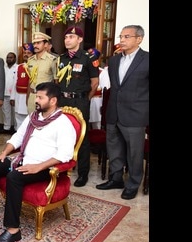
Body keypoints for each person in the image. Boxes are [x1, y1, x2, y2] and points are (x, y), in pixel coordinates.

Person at [0, 82, 76, 242]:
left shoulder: (63, 123)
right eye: (36, 96)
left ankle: (13, 230)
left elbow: (65, 155)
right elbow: (18, 137)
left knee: (13, 177)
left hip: (44, 167)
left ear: (53, 101)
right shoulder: (33, 117)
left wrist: (38, 167)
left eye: (40, 97)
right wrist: (4, 154)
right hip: (24, 159)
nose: (35, 100)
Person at [96, 25, 149, 200]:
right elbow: (116, 88)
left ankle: (133, 184)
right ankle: (116, 178)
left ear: (139, 39)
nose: (122, 40)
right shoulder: (114, 60)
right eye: (121, 36)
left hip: (135, 115)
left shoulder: (147, 59)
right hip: (113, 113)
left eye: (127, 36)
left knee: (135, 153)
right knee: (114, 148)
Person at [56, 26, 99, 187]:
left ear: (79, 40)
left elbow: (95, 83)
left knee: (82, 137)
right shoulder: (61, 58)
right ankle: (62, 166)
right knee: (62, 135)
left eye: (71, 37)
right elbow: (57, 80)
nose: (67, 40)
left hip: (80, 101)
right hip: (62, 101)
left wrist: (85, 100)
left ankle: (83, 173)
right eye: (66, 37)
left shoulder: (88, 58)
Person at [26, 32, 58, 114]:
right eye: (34, 43)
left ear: (46, 44)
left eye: (38, 43)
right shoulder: (30, 60)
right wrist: (28, 96)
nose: (35, 45)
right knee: (32, 121)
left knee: (44, 123)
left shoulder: (52, 60)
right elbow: (30, 79)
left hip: (45, 97)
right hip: (32, 96)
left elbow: (56, 82)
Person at [12, 43, 34, 130]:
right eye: (25, 52)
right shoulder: (19, 67)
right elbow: (14, 82)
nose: (26, 55)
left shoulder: (35, 66)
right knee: (18, 117)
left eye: (29, 53)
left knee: (29, 118)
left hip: (29, 96)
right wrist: (12, 98)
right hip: (18, 96)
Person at [1, 52, 17, 134]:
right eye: (7, 57)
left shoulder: (17, 67)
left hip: (15, 95)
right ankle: (6, 127)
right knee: (5, 112)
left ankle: (16, 128)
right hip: (4, 93)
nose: (9, 59)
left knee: (15, 112)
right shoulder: (3, 68)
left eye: (11, 57)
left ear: (15, 59)